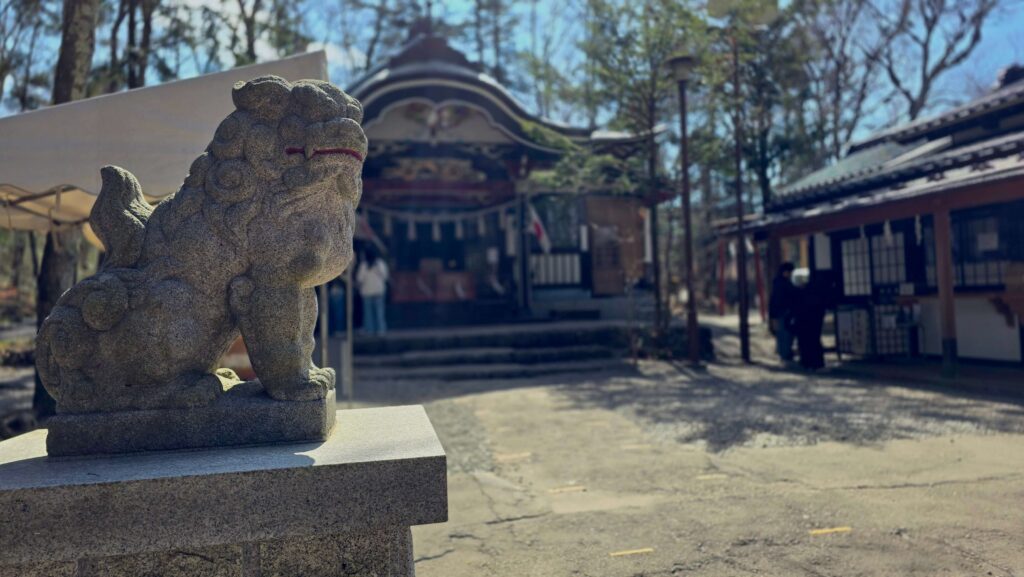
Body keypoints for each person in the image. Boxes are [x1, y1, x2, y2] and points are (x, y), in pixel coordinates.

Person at [794, 274, 828, 370]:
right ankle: (817, 363)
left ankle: (806, 362)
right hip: (814, 323)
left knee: (805, 342)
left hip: (803, 322)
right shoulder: (818, 296)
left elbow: (797, 309)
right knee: (815, 342)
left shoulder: (802, 294)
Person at [356, 246, 388, 335]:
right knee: (379, 312)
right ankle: (381, 330)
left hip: (367, 292)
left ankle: (369, 331)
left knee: (368, 314)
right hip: (379, 291)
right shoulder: (380, 264)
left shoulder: (364, 265)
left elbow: (359, 279)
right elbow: (385, 276)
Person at [768, 262, 797, 363]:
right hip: (783, 312)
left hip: (780, 312)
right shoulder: (783, 284)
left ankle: (784, 354)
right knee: (785, 334)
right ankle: (785, 354)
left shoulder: (778, 283)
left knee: (782, 334)